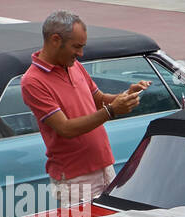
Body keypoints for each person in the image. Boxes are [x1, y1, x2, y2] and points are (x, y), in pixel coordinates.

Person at [20, 11, 149, 206]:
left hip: (104, 167)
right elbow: (65, 128)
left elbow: (99, 99)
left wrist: (125, 96)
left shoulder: (73, 65)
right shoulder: (33, 81)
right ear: (56, 40)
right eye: (76, 47)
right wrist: (112, 110)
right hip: (74, 179)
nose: (80, 53)